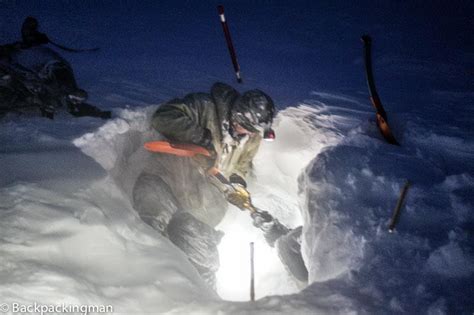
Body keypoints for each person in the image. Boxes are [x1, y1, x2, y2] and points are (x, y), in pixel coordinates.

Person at [132, 82, 276, 289]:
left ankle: (204, 303)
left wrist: (237, 184)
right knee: (151, 240)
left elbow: (241, 166)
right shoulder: (204, 107)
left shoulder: (251, 136)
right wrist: (200, 138)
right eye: (248, 128)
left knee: (203, 261)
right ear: (237, 116)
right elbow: (164, 116)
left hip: (198, 202)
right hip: (164, 179)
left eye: (254, 132)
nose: (250, 135)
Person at [0, 16, 110, 119]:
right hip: (29, 77)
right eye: (27, 29)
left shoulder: (43, 53)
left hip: (44, 74)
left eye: (30, 29)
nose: (27, 33)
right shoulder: (17, 49)